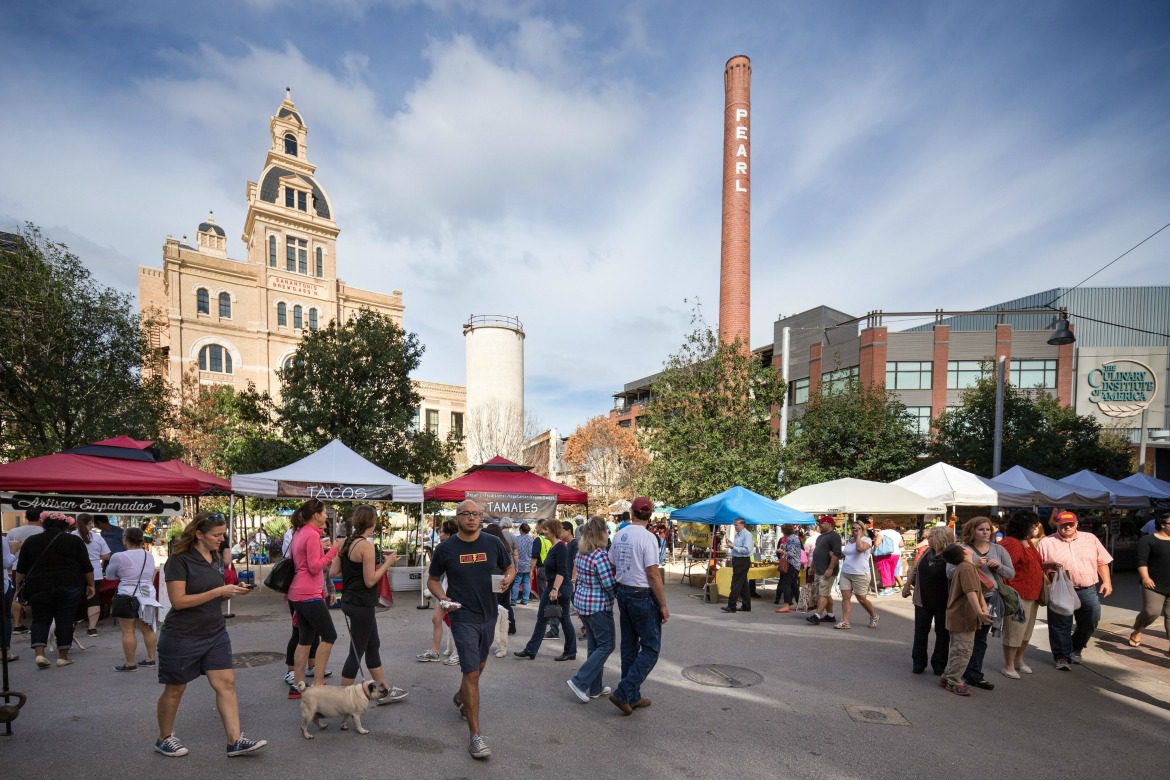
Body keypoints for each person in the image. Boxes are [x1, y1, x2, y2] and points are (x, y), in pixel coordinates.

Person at [154, 512, 265, 757]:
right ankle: (164, 737)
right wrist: (218, 592)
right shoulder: (179, 561)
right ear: (199, 534)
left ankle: (235, 741)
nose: (221, 539)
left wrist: (232, 591)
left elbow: (212, 592)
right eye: (216, 535)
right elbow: (179, 601)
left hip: (214, 632)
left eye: (223, 534)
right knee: (175, 689)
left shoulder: (214, 557)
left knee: (226, 682)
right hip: (182, 635)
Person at [427, 499, 515, 760]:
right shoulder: (446, 548)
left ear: (481, 517)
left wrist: (509, 578)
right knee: (471, 672)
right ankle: (475, 736)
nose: (472, 518)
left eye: (476, 514)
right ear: (457, 518)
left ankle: (461, 696)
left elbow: (509, 567)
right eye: (466, 514)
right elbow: (433, 580)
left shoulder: (493, 543)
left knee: (479, 667)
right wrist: (443, 598)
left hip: (489, 615)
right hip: (462, 615)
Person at [330, 504, 407, 703]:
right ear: (372, 522)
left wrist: (352, 566)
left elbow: (333, 572)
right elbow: (370, 581)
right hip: (361, 603)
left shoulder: (347, 542)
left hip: (350, 600)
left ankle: (384, 691)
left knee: (373, 645)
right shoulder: (366, 546)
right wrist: (388, 563)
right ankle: (342, 700)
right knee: (356, 652)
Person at [608, 496, 669, 716]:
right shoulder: (648, 538)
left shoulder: (620, 535)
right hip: (641, 595)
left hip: (624, 592)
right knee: (651, 648)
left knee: (629, 646)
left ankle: (631, 696)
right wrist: (663, 605)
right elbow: (652, 573)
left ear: (632, 513)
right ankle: (624, 691)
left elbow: (612, 563)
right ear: (649, 516)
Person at [14, 512, 92, 668]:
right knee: (65, 619)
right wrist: (91, 585)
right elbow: (86, 566)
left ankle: (40, 654)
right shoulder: (74, 541)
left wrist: (17, 587)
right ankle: (63, 657)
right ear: (66, 526)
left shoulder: (31, 541)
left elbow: (21, 569)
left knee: (40, 619)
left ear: (44, 525)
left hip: (39, 585)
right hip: (68, 584)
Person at [1038, 511, 1113, 670]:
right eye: (1063, 524)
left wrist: (1107, 581)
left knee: (1091, 619)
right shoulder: (1046, 542)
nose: (1067, 527)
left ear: (1077, 524)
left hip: (1087, 588)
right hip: (1060, 590)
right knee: (1060, 625)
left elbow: (1102, 561)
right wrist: (1047, 567)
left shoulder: (1090, 538)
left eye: (1070, 524)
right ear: (1056, 525)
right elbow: (1037, 566)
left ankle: (1075, 647)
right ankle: (1061, 656)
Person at [949, 516, 1014, 690]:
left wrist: (999, 566)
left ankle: (974, 674)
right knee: (964, 639)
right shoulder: (964, 550)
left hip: (991, 598)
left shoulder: (998, 549)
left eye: (988, 529)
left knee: (980, 639)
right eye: (981, 529)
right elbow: (950, 572)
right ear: (972, 531)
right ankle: (956, 673)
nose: (986, 532)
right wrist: (973, 564)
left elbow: (1011, 574)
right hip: (968, 600)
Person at [288, 498, 340, 691]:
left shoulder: (299, 532)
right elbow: (314, 567)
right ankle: (318, 682)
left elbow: (300, 562)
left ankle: (298, 684)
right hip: (308, 593)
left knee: (305, 640)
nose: (326, 516)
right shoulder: (310, 534)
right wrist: (333, 551)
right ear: (316, 515)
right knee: (329, 635)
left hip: (299, 592)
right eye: (324, 512)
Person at [566, 516, 617, 703]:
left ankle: (595, 688)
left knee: (595, 645)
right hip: (598, 606)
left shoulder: (582, 552)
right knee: (607, 645)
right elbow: (609, 584)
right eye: (606, 531)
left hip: (583, 604)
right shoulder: (600, 555)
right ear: (601, 533)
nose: (608, 534)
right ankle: (579, 682)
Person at [515, 519, 577, 659]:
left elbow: (561, 571)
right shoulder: (554, 546)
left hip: (559, 588)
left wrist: (555, 589)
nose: (543, 532)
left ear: (553, 530)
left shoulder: (561, 547)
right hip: (552, 587)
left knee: (564, 619)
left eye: (546, 529)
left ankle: (570, 651)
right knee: (542, 618)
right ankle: (531, 650)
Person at [940, 544, 993, 696]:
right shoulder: (966, 568)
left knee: (957, 649)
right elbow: (971, 592)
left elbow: (977, 592)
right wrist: (980, 612)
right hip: (963, 616)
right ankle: (954, 681)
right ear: (964, 552)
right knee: (963, 651)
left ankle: (948, 676)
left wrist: (983, 609)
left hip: (960, 616)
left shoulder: (966, 567)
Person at [105, 526, 159, 671]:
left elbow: (109, 575)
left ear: (125, 540)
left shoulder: (119, 556)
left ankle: (130, 663)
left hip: (127, 594)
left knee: (128, 631)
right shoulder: (148, 555)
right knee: (148, 629)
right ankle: (151, 658)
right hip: (147, 595)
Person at [904, 525, 955, 675]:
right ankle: (918, 662)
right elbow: (915, 569)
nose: (928, 539)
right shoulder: (927, 551)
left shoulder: (952, 555)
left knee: (943, 634)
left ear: (940, 538)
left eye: (931, 536)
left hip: (944, 602)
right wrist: (907, 585)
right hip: (923, 599)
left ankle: (939, 664)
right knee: (920, 632)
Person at [999, 511, 1044, 678]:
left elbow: (1034, 563)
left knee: (1026, 632)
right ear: (1024, 526)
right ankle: (1009, 665)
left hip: (1032, 593)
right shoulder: (1012, 543)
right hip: (1017, 595)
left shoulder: (1027, 541)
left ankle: (1019, 660)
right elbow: (1003, 569)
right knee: (1015, 631)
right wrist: (1008, 592)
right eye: (1033, 525)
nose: (1036, 528)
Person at [417, 520, 459, 664]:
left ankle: (459, 653)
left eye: (442, 532)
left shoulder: (456, 548)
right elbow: (435, 575)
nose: (439, 535)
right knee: (436, 619)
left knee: (457, 621)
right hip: (445, 586)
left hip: (457, 588)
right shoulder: (443, 548)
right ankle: (435, 652)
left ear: (449, 534)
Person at [1129, 511, 1170, 655]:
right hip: (1153, 584)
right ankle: (1137, 630)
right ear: (1163, 525)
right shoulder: (1148, 540)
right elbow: (1141, 560)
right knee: (1152, 612)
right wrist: (1145, 578)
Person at [6, 508, 44, 635]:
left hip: (18, 566)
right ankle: (37, 623)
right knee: (39, 595)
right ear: (40, 518)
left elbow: (9, 548)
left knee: (17, 595)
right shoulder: (44, 531)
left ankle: (17, 624)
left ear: (26, 517)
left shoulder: (14, 531)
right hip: (39, 567)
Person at [73, 513, 111, 637]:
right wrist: (95, 556)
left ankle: (71, 624)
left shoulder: (71, 536)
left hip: (75, 572)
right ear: (89, 524)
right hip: (95, 572)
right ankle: (92, 628)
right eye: (91, 523)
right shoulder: (97, 538)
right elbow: (106, 555)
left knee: (74, 598)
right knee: (94, 600)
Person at [836, 519, 877, 630]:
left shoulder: (867, 540)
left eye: (858, 528)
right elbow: (846, 554)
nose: (855, 530)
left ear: (863, 529)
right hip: (846, 572)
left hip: (860, 574)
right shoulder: (850, 541)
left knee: (861, 598)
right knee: (845, 597)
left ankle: (874, 615)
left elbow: (860, 549)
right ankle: (845, 622)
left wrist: (858, 536)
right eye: (853, 528)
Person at [805, 516, 842, 625]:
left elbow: (837, 554)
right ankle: (830, 616)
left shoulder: (834, 536)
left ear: (829, 524)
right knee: (825, 593)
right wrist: (812, 567)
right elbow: (816, 552)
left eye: (822, 523)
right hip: (819, 570)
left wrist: (830, 568)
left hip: (827, 570)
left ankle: (817, 616)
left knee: (823, 593)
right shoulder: (820, 537)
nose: (820, 525)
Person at [721, 518, 754, 614]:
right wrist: (732, 545)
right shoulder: (737, 534)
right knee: (743, 585)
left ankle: (731, 606)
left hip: (742, 561)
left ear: (742, 525)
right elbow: (738, 547)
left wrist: (734, 547)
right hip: (737, 560)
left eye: (736, 525)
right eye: (734, 525)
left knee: (735, 584)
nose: (735, 526)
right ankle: (746, 606)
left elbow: (747, 550)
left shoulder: (747, 535)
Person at [773, 525, 802, 612]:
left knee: (786, 584)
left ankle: (786, 605)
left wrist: (781, 551)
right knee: (794, 585)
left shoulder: (791, 539)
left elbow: (791, 553)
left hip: (791, 564)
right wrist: (783, 546)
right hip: (795, 565)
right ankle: (801, 605)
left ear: (784, 531)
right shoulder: (794, 538)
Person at [873, 519, 903, 595]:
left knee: (884, 570)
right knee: (891, 571)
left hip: (884, 554)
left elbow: (877, 543)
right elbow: (901, 544)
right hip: (896, 554)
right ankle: (890, 587)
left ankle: (887, 589)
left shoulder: (882, 533)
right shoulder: (897, 533)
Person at [511, 522, 534, 606]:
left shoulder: (516, 539)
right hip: (528, 564)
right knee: (527, 582)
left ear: (520, 529)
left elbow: (514, 552)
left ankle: (513, 600)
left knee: (516, 582)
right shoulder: (532, 540)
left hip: (518, 563)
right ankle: (525, 600)